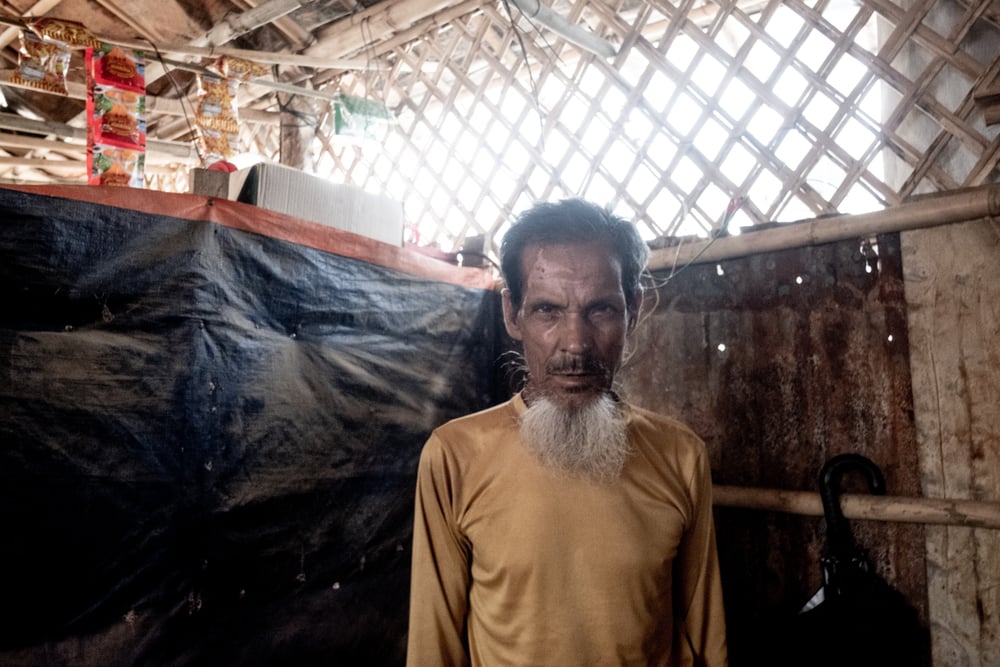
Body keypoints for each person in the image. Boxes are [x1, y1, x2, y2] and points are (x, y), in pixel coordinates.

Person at [406, 198, 728, 666]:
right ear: (511, 315)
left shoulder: (681, 457)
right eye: (547, 311)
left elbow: (708, 639)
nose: (575, 343)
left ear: (632, 311)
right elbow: (432, 649)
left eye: (600, 310)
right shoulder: (454, 457)